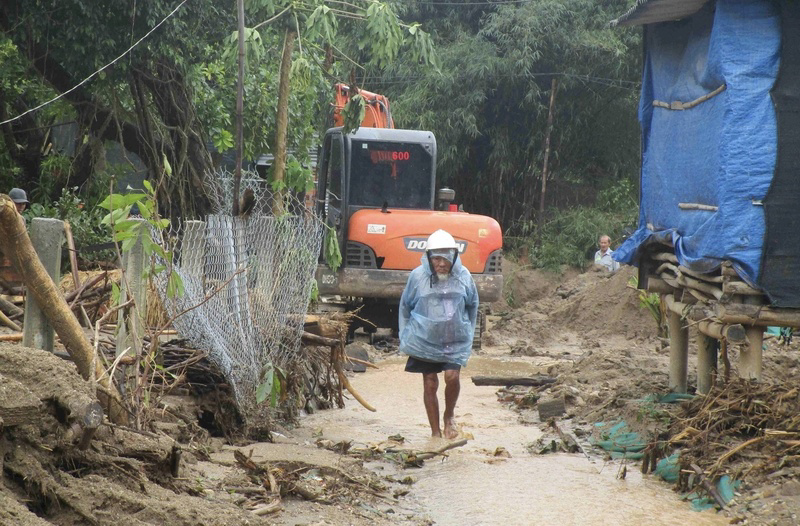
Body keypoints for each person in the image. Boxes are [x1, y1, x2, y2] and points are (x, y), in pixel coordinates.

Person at [398, 229, 479, 439]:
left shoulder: (464, 277)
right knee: (430, 381)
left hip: (454, 339)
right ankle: (435, 434)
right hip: (425, 339)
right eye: (436, 258)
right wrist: (406, 336)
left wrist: (468, 332)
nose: (441, 263)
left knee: (452, 377)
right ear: (428, 258)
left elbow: (472, 306)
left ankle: (449, 416)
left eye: (446, 257)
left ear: (454, 256)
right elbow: (405, 307)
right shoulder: (417, 277)